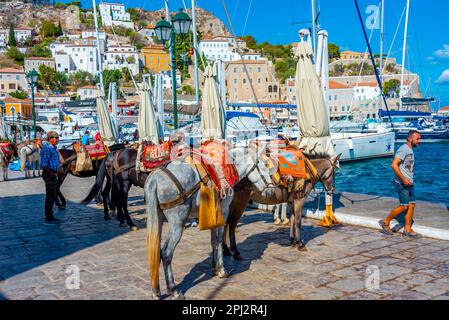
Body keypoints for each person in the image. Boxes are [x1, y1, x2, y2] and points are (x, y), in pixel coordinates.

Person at [379, 130, 422, 239]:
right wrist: (403, 179)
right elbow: (393, 165)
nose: (419, 141)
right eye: (417, 139)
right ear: (410, 139)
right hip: (402, 183)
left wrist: (408, 179)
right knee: (404, 206)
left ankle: (407, 230)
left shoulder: (410, 151)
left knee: (412, 205)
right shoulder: (403, 149)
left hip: (410, 183)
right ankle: (386, 222)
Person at [40, 131, 62, 225]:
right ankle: (48, 216)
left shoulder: (54, 148)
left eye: (57, 138)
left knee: (52, 196)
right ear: (50, 139)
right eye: (54, 138)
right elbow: (43, 165)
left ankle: (50, 215)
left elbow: (59, 161)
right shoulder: (47, 148)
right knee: (50, 196)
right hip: (49, 174)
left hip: (53, 173)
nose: (57, 140)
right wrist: (52, 174)